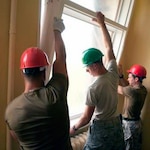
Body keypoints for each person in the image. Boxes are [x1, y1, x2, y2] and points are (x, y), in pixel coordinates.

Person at [5, 18, 72, 150]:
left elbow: (17, 138)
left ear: (23, 73)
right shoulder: (55, 95)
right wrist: (57, 30)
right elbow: (61, 58)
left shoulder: (10, 112)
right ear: (44, 73)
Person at [70, 11, 125, 150]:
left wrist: (74, 128)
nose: (86, 70)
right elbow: (108, 48)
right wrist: (102, 24)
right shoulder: (113, 72)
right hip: (116, 125)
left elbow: (86, 117)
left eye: (87, 67)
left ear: (94, 65)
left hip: (102, 129)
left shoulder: (93, 88)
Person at [118, 64, 147, 150]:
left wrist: (107, 76)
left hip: (129, 126)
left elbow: (116, 87)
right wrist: (120, 76)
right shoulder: (143, 90)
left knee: (128, 147)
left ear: (136, 79)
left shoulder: (132, 92)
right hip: (136, 123)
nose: (128, 79)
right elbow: (127, 86)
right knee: (135, 146)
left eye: (130, 77)